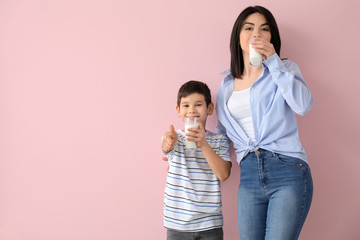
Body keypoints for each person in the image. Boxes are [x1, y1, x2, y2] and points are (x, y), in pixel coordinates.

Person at [215, 6, 313, 240]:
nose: (256, 33)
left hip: (288, 170)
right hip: (249, 176)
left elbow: (303, 106)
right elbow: (221, 137)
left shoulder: (285, 69)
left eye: (264, 29)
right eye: (249, 28)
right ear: (238, 36)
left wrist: (274, 63)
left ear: (272, 38)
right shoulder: (226, 86)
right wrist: (184, 152)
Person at [161, 80, 232, 240]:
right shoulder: (174, 138)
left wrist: (203, 144)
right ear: (178, 111)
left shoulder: (219, 141)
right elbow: (166, 146)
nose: (191, 110)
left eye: (198, 104)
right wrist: (167, 143)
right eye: (186, 106)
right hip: (177, 224)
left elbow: (223, 174)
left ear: (210, 108)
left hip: (210, 224)